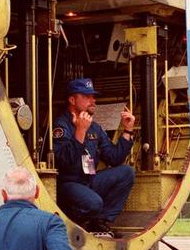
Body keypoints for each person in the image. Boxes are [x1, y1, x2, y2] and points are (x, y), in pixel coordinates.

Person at [51, 77, 136, 236]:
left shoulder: (94, 127)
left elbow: (114, 157)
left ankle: (100, 222)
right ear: (72, 100)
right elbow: (63, 161)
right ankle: (68, 219)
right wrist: (80, 132)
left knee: (126, 172)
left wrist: (128, 130)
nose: (93, 100)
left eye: (93, 96)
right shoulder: (61, 125)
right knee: (93, 203)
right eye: (87, 96)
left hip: (88, 180)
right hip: (68, 183)